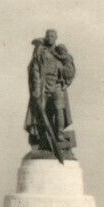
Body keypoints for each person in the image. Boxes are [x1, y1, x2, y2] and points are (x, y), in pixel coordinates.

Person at [25, 28, 77, 157]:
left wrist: (65, 77)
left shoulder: (61, 52)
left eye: (53, 35)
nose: (50, 37)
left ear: (56, 37)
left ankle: (59, 135)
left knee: (59, 109)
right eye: (48, 35)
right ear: (45, 37)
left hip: (57, 86)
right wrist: (36, 88)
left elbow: (69, 70)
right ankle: (41, 138)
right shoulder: (40, 52)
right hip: (43, 86)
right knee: (40, 111)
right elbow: (35, 69)